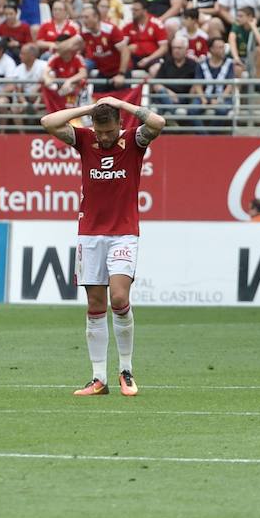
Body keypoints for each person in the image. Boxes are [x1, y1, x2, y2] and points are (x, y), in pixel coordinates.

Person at [41, 96, 165, 397]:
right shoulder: (85, 139)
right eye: (100, 131)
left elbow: (158, 122)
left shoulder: (134, 140)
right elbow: (47, 122)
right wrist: (89, 110)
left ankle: (126, 370)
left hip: (123, 233)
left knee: (119, 299)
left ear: (119, 125)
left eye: (110, 131)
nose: (105, 137)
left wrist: (120, 104)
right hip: (89, 234)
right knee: (95, 306)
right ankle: (98, 378)